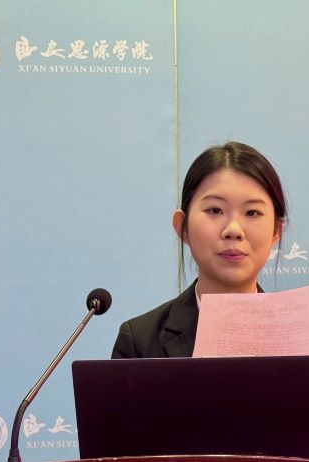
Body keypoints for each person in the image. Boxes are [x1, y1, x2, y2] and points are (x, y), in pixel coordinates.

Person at [112, 141, 286, 358]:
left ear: (276, 230)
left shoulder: (307, 336)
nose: (233, 230)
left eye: (252, 213)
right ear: (182, 227)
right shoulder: (139, 341)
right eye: (215, 210)